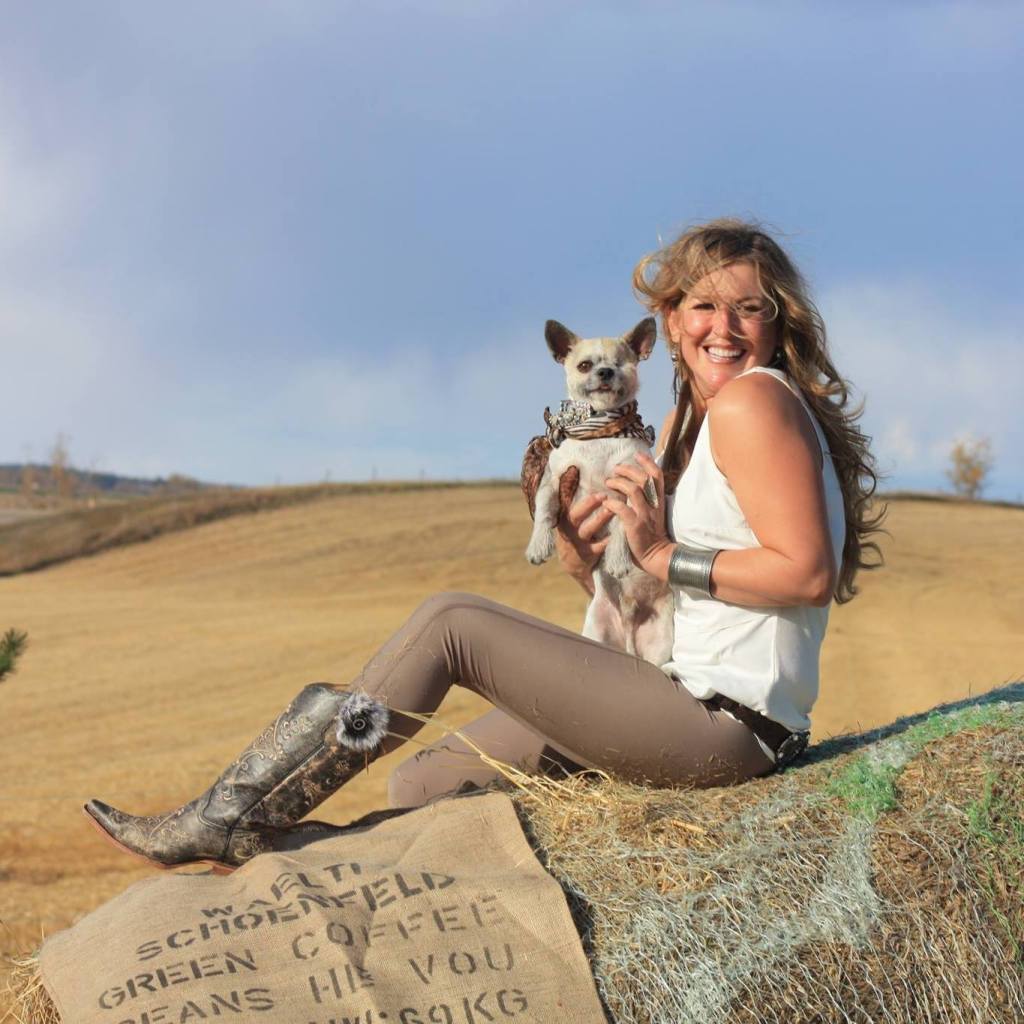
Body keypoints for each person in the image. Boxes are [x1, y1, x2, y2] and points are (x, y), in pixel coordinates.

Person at [85, 218, 882, 871]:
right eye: (704, 307)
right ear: (670, 322)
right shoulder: (682, 427)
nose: (724, 328)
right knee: (424, 784)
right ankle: (293, 855)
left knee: (451, 622)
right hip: (664, 689)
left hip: (726, 727)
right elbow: (672, 601)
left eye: (750, 310)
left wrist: (662, 553)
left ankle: (232, 814)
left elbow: (804, 574)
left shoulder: (753, 403)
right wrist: (587, 560)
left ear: (780, 326)